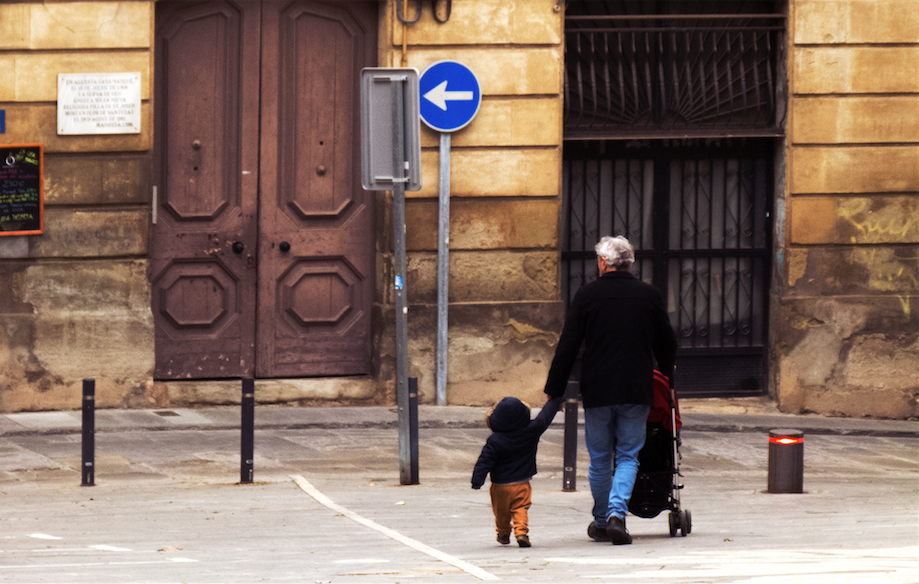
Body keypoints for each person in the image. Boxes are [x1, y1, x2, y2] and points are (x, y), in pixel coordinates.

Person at [544, 235, 677, 545]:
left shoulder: (587, 295)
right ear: (629, 262)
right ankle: (617, 514)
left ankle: (603, 520)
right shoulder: (649, 295)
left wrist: (555, 389)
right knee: (629, 456)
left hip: (599, 389)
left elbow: (568, 344)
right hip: (636, 388)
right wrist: (668, 376)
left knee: (601, 458)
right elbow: (667, 341)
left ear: (603, 262)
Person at [471, 395, 565, 547]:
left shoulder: (495, 440)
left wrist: (477, 480)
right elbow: (544, 417)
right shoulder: (531, 431)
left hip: (500, 485)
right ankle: (521, 532)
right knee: (520, 508)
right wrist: (555, 401)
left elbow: (484, 461)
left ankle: (503, 532)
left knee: (501, 511)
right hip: (522, 483)